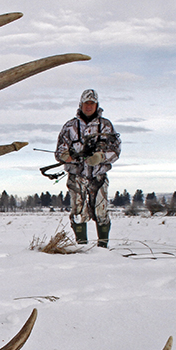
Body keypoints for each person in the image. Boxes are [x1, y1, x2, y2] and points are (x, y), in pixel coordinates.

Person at [55, 89, 120, 247]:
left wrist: (101, 157)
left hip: (99, 177)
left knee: (101, 212)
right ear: (81, 104)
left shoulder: (106, 126)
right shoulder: (70, 126)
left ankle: (103, 248)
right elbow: (59, 152)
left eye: (92, 103)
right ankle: (82, 248)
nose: (89, 106)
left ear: (97, 105)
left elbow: (116, 151)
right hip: (76, 177)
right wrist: (66, 156)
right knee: (78, 213)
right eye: (86, 103)